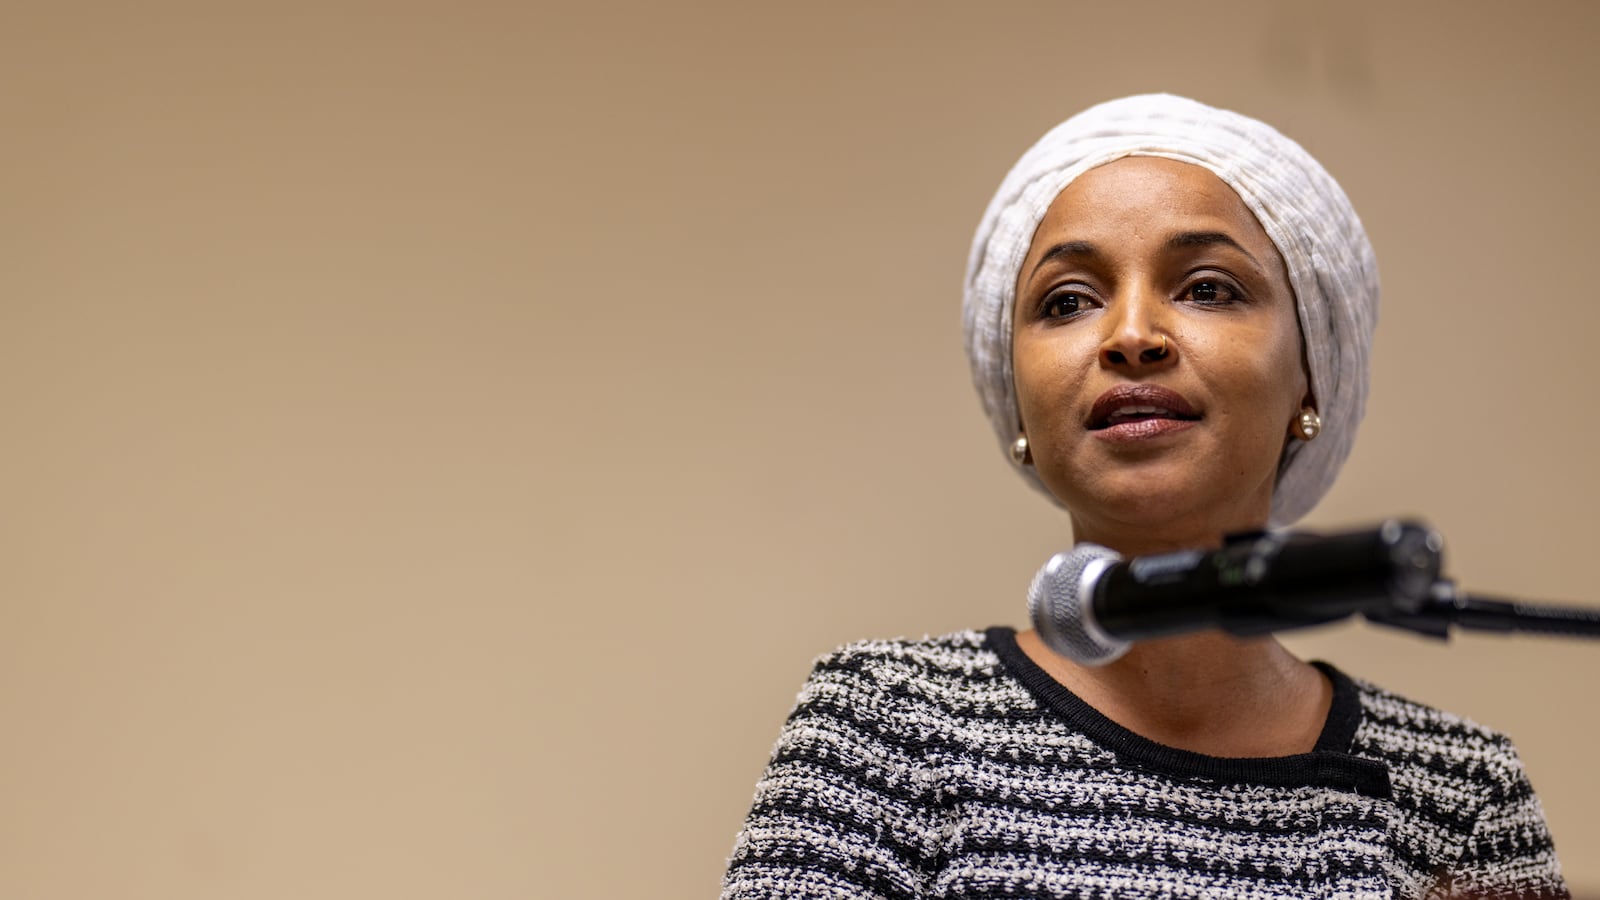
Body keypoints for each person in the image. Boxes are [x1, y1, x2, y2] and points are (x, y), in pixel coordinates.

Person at [721, 95, 1568, 899]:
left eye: (1207, 288)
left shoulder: (1459, 791)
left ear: (1314, 374)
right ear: (1018, 403)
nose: (1131, 337)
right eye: (1069, 301)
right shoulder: (885, 723)